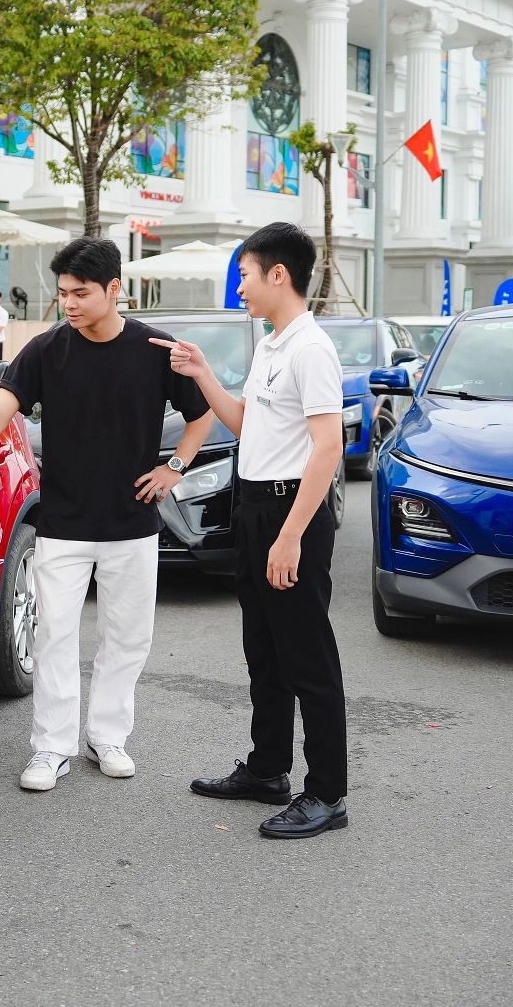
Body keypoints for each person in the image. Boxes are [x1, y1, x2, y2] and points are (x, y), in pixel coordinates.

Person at [0, 238, 215, 792]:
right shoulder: (46, 350)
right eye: (64, 292)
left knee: (128, 637)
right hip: (63, 523)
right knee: (53, 635)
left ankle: (108, 737)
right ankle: (51, 747)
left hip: (133, 523)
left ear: (114, 289)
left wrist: (174, 467)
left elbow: (201, 414)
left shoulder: (155, 349)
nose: (69, 303)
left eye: (81, 293)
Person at [160, 221, 348, 839]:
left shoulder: (311, 349)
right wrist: (202, 372)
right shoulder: (272, 345)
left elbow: (327, 448)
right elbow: (247, 424)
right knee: (263, 650)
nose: (239, 286)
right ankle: (268, 769)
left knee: (307, 657)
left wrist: (290, 536)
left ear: (278, 275)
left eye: (245, 274)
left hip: (292, 513)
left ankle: (327, 794)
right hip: (255, 507)